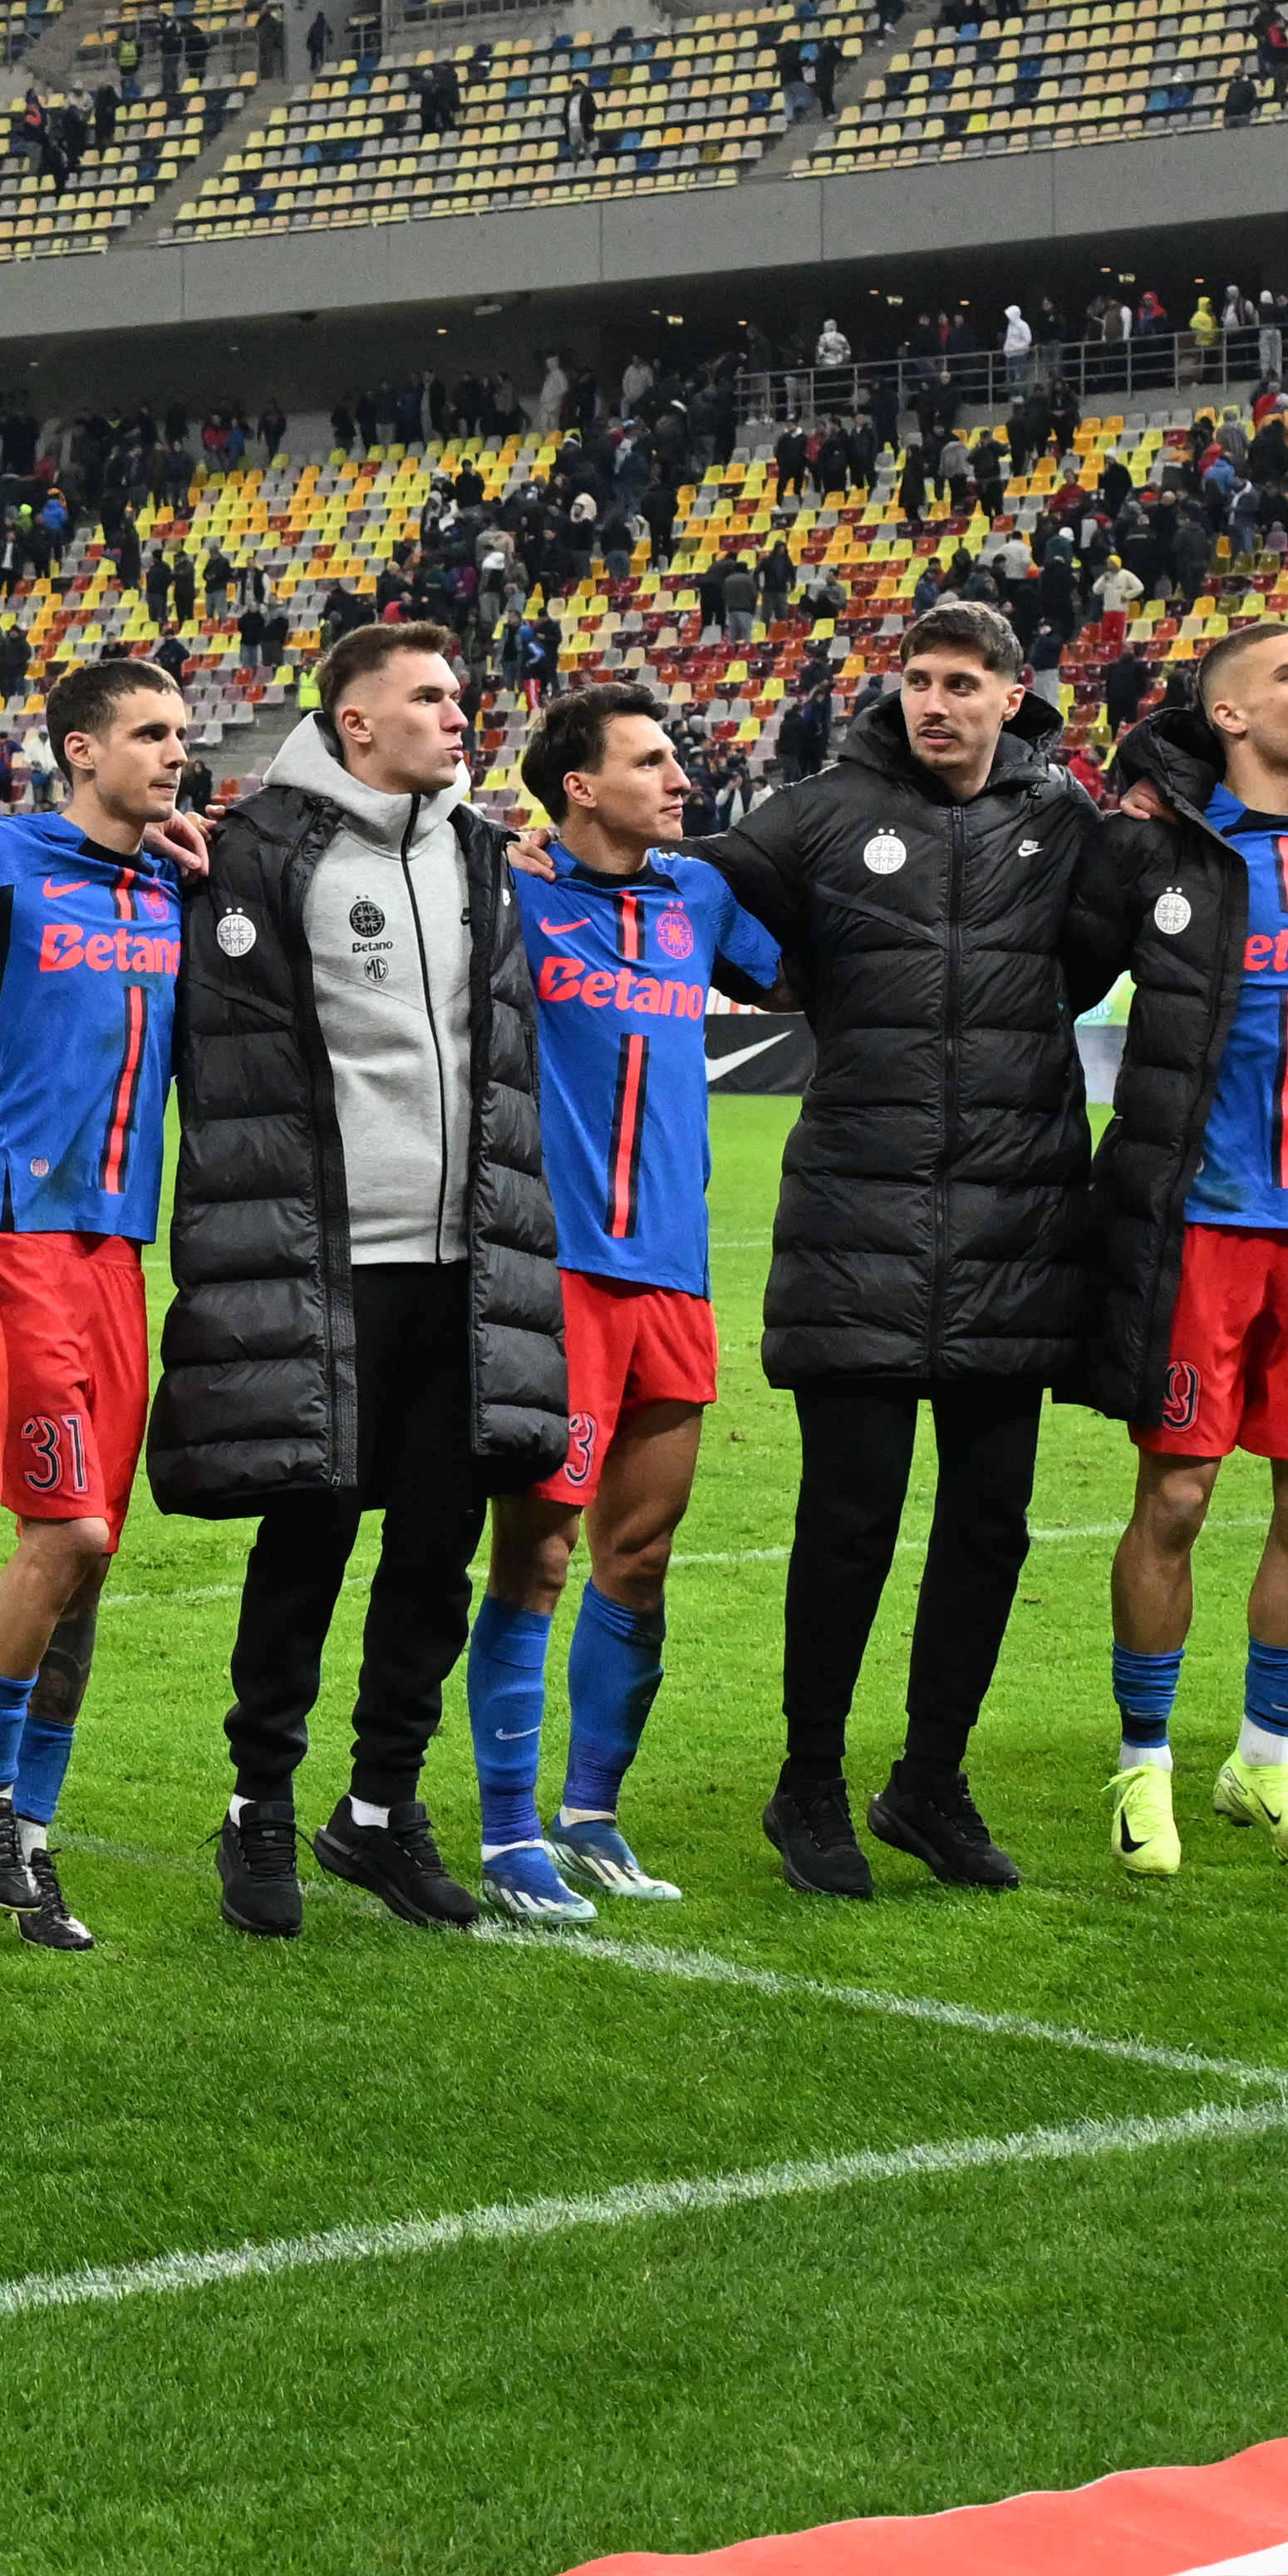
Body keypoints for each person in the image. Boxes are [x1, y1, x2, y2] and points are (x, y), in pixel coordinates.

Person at [147, 620, 562, 1931]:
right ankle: (257, 1804)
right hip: (320, 1264)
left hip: (466, 1265)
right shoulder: (250, 850)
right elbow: (111, 969)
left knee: (436, 1549)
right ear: (355, 721)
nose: (457, 714)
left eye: (458, 694)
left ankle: (379, 1808)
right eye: (428, 696)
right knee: (308, 1536)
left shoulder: (482, 854)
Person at [698, 599, 1086, 1893]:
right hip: (855, 1220)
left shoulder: (1063, 822)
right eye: (917, 678)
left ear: (1011, 695)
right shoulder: (818, 812)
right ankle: (806, 1781)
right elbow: (696, 886)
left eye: (962, 682)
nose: (934, 701)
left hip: (1012, 1226)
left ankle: (929, 1781)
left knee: (988, 1524)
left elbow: (1104, 950)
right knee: (846, 1517)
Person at [1074, 624, 1288, 1885]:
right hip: (1201, 1227)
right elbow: (1044, 976)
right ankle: (1143, 1761)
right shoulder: (1157, 849)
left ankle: (1265, 1758)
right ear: (1224, 714)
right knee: (1174, 1496)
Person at [0, 656, 197, 1951]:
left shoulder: (175, 883)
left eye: (180, 733)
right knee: (63, 1527)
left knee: (90, 1561)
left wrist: (1, 1050)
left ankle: (28, 1837)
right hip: (3, 1231)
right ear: (78, 749)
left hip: (113, 1252)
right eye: (148, 733)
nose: (174, 752)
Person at [474, 685, 766, 1907]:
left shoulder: (701, 896)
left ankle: (591, 1812)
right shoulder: (510, 895)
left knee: (638, 1554)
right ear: (577, 787)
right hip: (562, 1276)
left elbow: (819, 965)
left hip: (676, 1274)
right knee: (536, 1556)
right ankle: (507, 1834)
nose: (680, 779)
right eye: (650, 762)